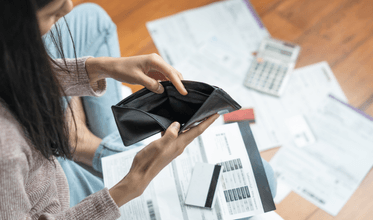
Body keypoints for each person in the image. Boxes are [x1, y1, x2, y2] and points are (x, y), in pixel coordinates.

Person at [0, 0, 276, 219]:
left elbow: (10, 74)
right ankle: (83, 144)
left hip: (41, 164)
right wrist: (131, 184)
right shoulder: (7, 152)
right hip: (58, 202)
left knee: (93, 19)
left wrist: (98, 68)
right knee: (262, 176)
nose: (68, 6)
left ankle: (80, 143)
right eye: (52, 13)